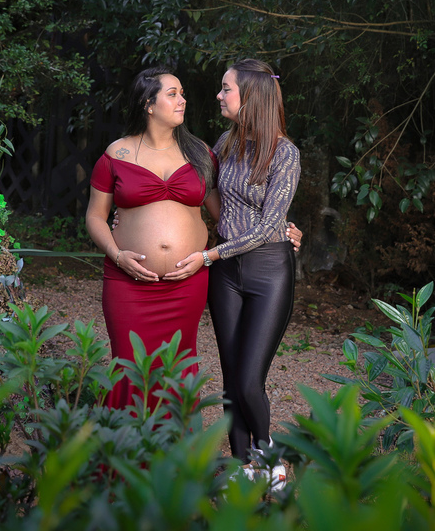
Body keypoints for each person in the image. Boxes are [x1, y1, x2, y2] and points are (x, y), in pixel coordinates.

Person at [172, 59, 300, 488]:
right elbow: (199, 195)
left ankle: (271, 464)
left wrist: (209, 256)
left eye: (226, 89)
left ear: (251, 97)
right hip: (227, 275)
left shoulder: (284, 152)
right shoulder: (224, 143)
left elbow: (268, 227)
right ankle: (244, 468)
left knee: (249, 381)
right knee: (230, 381)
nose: (219, 95)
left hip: (268, 273)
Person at [84, 67, 218, 410]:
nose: (182, 100)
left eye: (182, 93)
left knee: (178, 365)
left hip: (186, 282)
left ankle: (176, 458)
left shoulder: (200, 153)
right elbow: (95, 216)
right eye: (172, 94)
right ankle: (124, 459)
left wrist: (278, 229)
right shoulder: (117, 153)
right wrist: (117, 255)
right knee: (129, 365)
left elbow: (226, 214)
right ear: (148, 103)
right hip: (127, 283)